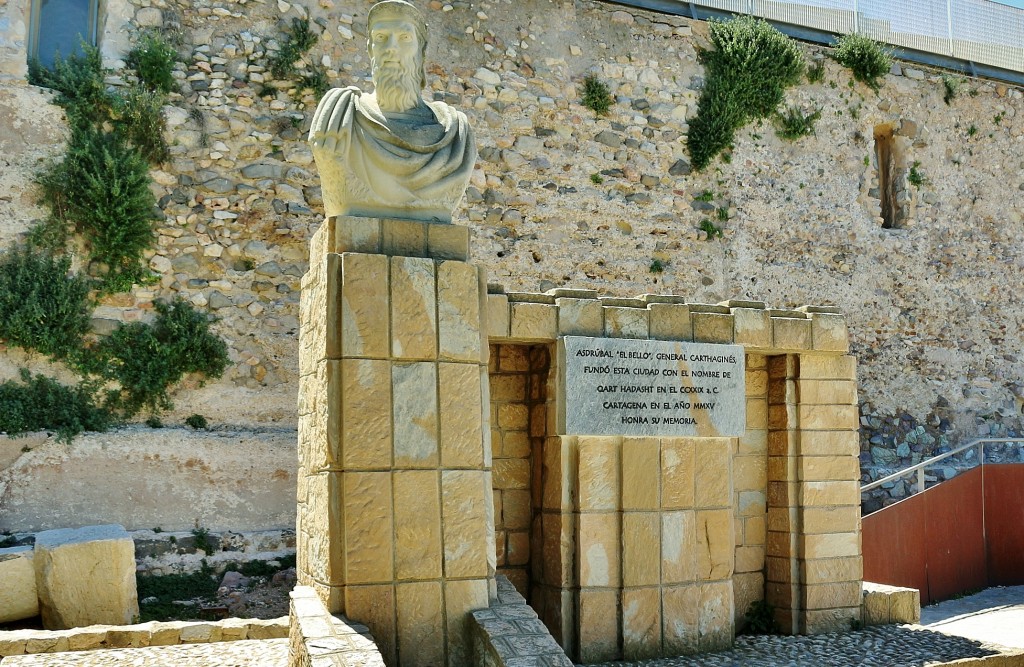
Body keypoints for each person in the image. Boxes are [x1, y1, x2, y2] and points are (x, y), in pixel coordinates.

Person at [309, 0, 476, 223]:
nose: (391, 48)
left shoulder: (455, 134)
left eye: (404, 38)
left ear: (421, 50)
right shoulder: (342, 115)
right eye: (381, 38)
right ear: (370, 49)